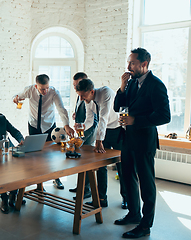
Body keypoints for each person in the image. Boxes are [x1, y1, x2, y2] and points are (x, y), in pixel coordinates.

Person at [114, 48, 170, 238]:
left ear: (144, 64)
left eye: (132, 63)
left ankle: (145, 226)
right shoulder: (130, 84)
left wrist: (136, 120)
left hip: (145, 141)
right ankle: (134, 214)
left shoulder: (156, 85)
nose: (128, 66)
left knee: (146, 183)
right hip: (128, 139)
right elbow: (117, 107)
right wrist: (122, 87)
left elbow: (164, 115)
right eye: (128, 62)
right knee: (127, 177)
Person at [13, 74, 74, 190]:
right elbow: (17, 96)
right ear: (36, 86)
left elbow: (61, 109)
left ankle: (56, 178)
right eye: (42, 89)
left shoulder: (54, 92)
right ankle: (39, 184)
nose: (45, 91)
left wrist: (66, 125)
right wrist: (15, 98)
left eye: (47, 88)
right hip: (33, 125)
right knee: (36, 155)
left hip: (49, 126)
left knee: (52, 155)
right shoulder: (29, 90)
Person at [75, 78, 127, 209]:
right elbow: (90, 120)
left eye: (83, 95)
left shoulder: (106, 93)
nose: (81, 99)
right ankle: (101, 198)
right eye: (79, 95)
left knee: (122, 166)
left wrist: (99, 141)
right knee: (101, 166)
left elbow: (103, 117)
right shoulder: (88, 100)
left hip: (118, 130)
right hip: (104, 132)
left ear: (92, 91)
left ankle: (127, 198)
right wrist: (81, 127)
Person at [68, 72, 98, 199]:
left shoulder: (91, 96)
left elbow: (93, 118)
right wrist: (76, 115)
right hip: (81, 129)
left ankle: (86, 190)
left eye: (77, 85)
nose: (75, 87)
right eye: (74, 85)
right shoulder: (80, 93)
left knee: (86, 160)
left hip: (88, 131)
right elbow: (81, 109)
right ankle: (81, 186)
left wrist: (84, 134)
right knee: (81, 159)